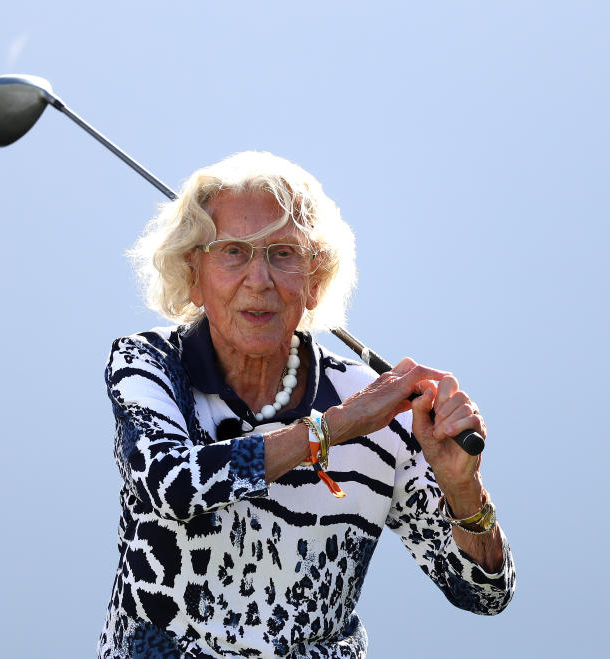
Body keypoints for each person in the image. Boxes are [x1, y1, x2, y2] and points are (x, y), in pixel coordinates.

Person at [98, 152, 515, 658]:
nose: (259, 280)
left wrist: (462, 488)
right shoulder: (150, 363)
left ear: (315, 281)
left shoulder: (379, 408)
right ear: (193, 270)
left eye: (283, 254)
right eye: (233, 251)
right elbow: (170, 484)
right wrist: (331, 430)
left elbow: (485, 594)